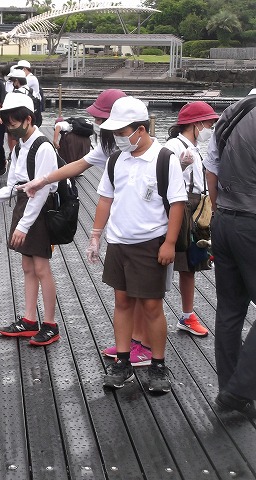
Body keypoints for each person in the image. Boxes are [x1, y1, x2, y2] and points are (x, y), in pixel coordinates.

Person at [18, 89, 153, 367]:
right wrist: (41, 181)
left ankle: (144, 343)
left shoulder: (143, 147)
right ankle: (132, 342)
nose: (101, 125)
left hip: (148, 226)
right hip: (122, 223)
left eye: (104, 118)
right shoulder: (110, 146)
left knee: (143, 293)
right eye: (101, 120)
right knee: (125, 291)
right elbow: (78, 166)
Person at [87, 96, 187, 393]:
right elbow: (106, 197)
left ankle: (158, 363)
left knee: (152, 305)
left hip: (149, 241)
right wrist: (95, 235)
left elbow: (178, 204)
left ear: (140, 129)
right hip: (118, 241)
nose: (118, 138)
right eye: (115, 133)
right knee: (122, 301)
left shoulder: (164, 158)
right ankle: (123, 361)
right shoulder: (117, 159)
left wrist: (169, 243)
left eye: (122, 132)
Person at [0, 92, 61, 347]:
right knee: (28, 268)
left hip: (39, 210)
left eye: (11, 122)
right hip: (24, 206)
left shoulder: (43, 146)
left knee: (42, 268)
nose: (8, 126)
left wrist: (23, 225)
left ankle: (51, 324)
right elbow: (14, 187)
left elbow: (41, 191)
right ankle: (30, 320)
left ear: (28, 119)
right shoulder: (20, 146)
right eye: (6, 121)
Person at [204, 88, 256, 418]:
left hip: (223, 219)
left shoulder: (229, 113)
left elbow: (211, 167)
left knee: (229, 311)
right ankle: (239, 391)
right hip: (252, 223)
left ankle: (231, 390)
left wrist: (217, 210)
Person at [164, 101, 219, 337]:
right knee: (170, 262)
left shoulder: (194, 146)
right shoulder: (173, 146)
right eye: (209, 123)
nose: (211, 128)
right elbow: (162, 177)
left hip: (196, 205)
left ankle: (186, 316)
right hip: (181, 205)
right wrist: (180, 165)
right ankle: (153, 312)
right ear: (196, 124)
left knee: (191, 263)